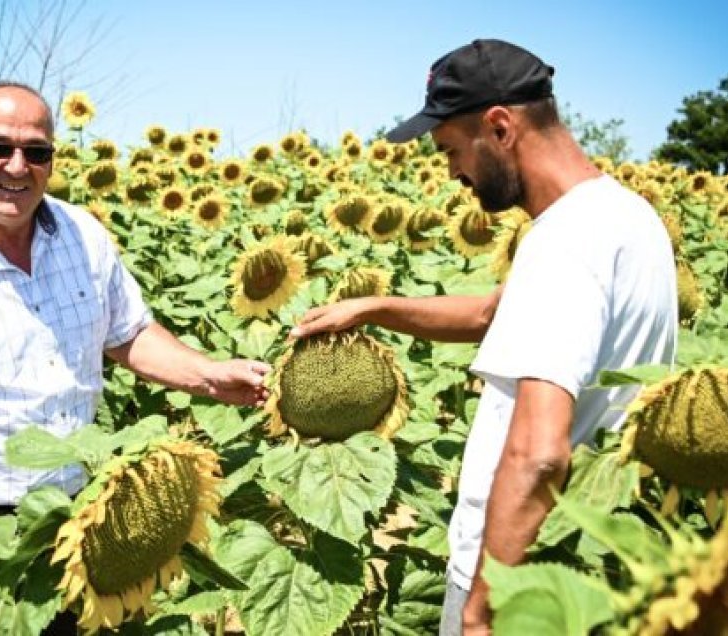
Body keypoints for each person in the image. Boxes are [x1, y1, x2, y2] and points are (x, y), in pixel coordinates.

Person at [290, 39, 677, 635]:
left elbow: (540, 451)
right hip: (591, 559)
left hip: (524, 576)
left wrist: (483, 610)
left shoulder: (563, 244)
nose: (450, 173)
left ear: (499, 127)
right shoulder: (626, 217)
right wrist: (374, 307)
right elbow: (492, 315)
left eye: (449, 149)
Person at [0, 81, 270, 617]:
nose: (17, 167)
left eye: (35, 152)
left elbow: (129, 333)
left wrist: (208, 375)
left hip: (78, 510)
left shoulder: (83, 235)